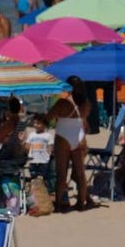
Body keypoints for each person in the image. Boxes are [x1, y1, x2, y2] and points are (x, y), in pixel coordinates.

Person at [47, 74, 94, 212]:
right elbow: (85, 123)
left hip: (63, 137)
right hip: (79, 138)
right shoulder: (86, 104)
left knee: (61, 174)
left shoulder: (63, 103)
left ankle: (60, 204)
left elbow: (49, 117)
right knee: (80, 174)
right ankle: (81, 203)